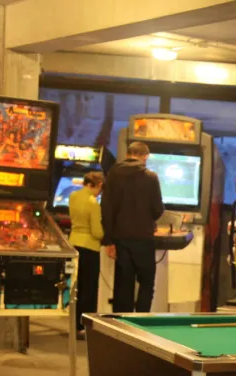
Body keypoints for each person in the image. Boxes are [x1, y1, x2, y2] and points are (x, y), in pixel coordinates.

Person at [101, 142, 164, 313]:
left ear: (128, 154)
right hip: (143, 238)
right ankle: (141, 321)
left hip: (120, 238)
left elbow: (106, 208)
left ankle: (122, 322)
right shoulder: (151, 177)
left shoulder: (113, 174)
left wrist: (108, 240)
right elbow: (158, 209)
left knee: (123, 285)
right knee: (146, 283)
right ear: (145, 156)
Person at [68, 171, 105, 338]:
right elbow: (97, 232)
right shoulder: (93, 203)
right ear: (97, 185)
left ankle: (74, 324)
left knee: (77, 288)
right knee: (89, 290)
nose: (99, 193)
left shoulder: (73, 196)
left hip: (74, 244)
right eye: (100, 190)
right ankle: (84, 327)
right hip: (90, 248)